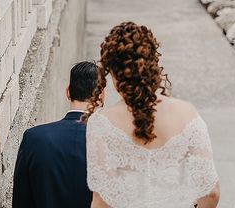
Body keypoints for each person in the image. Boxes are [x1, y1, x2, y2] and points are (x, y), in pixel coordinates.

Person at [84, 22, 220, 208]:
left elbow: (101, 201)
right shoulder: (186, 113)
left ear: (113, 74)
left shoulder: (101, 123)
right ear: (153, 66)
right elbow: (211, 192)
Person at [13, 61, 103, 208]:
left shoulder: (33, 138)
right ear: (100, 98)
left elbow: (21, 201)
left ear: (68, 92)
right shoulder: (110, 144)